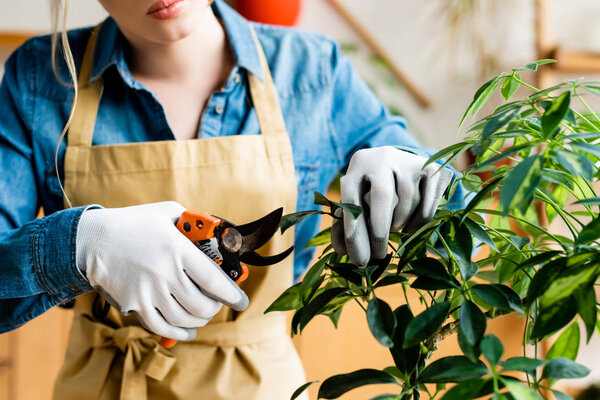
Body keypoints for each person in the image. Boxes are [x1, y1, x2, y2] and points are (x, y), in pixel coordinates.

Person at [0, 0, 464, 398]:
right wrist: (80, 244)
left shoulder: (311, 71)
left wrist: (413, 174)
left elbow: (461, 235)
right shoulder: (41, 80)